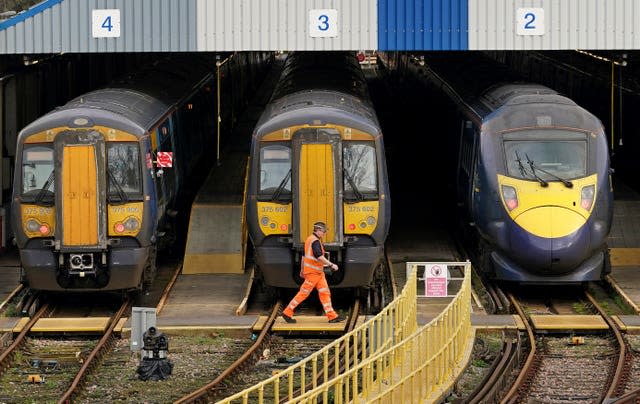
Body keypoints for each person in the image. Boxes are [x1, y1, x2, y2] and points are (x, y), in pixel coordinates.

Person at [282, 222, 345, 324]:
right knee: (303, 293)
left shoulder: (309, 239)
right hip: (313, 273)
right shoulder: (315, 242)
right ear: (318, 231)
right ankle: (287, 312)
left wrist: (302, 270)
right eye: (323, 232)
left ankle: (332, 316)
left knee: (325, 292)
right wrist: (331, 265)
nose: (324, 234)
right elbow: (319, 256)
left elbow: (304, 256)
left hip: (318, 273)